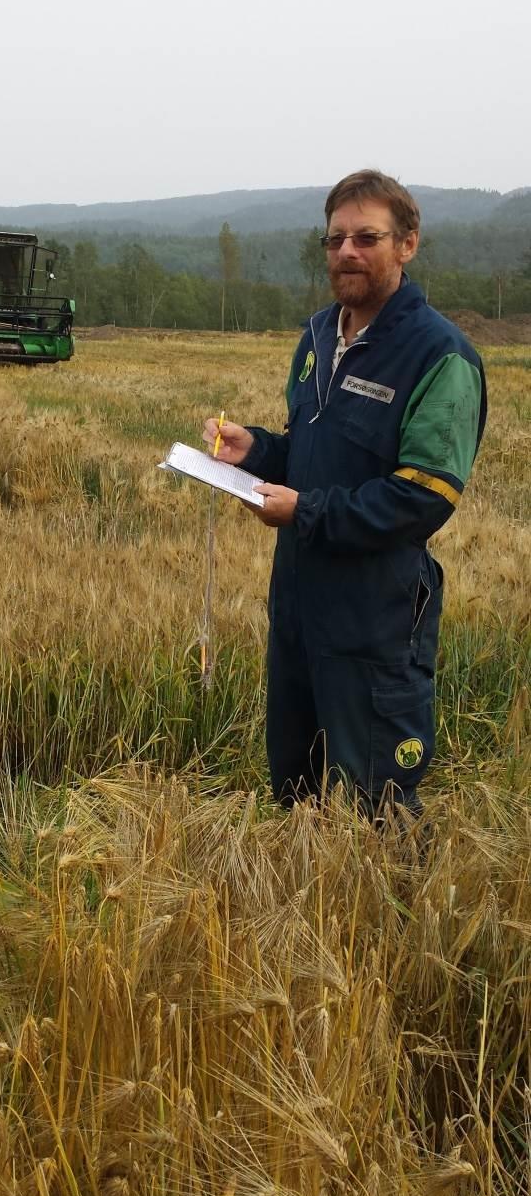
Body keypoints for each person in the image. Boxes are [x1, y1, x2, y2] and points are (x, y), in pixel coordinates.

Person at [204, 169, 487, 816]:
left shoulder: (439, 356)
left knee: (375, 810)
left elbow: (424, 497)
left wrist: (305, 510)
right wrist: (259, 450)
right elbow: (309, 453)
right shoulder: (316, 340)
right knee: (295, 799)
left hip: (376, 621)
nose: (347, 253)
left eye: (366, 238)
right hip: (299, 613)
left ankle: (384, 919)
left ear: (407, 244)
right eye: (335, 240)